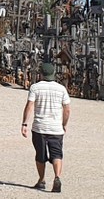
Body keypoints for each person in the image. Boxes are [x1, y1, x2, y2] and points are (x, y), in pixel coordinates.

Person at [21, 62, 71, 193]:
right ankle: (57, 177)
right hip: (56, 128)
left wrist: (25, 123)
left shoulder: (35, 87)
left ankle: (42, 179)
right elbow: (67, 109)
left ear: (41, 74)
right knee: (57, 154)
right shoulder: (61, 89)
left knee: (40, 155)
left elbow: (30, 105)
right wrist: (64, 124)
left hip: (39, 127)